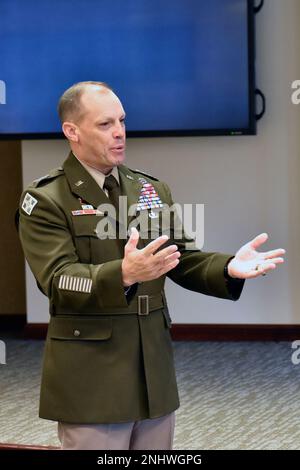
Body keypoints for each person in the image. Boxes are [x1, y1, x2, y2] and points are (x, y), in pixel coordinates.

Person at [17, 81, 285, 450]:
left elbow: (180, 259)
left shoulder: (149, 188)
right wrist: (123, 274)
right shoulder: (46, 198)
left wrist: (228, 268)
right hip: (92, 373)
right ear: (72, 131)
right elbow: (58, 280)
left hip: (152, 367)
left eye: (122, 121)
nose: (119, 133)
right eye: (105, 124)